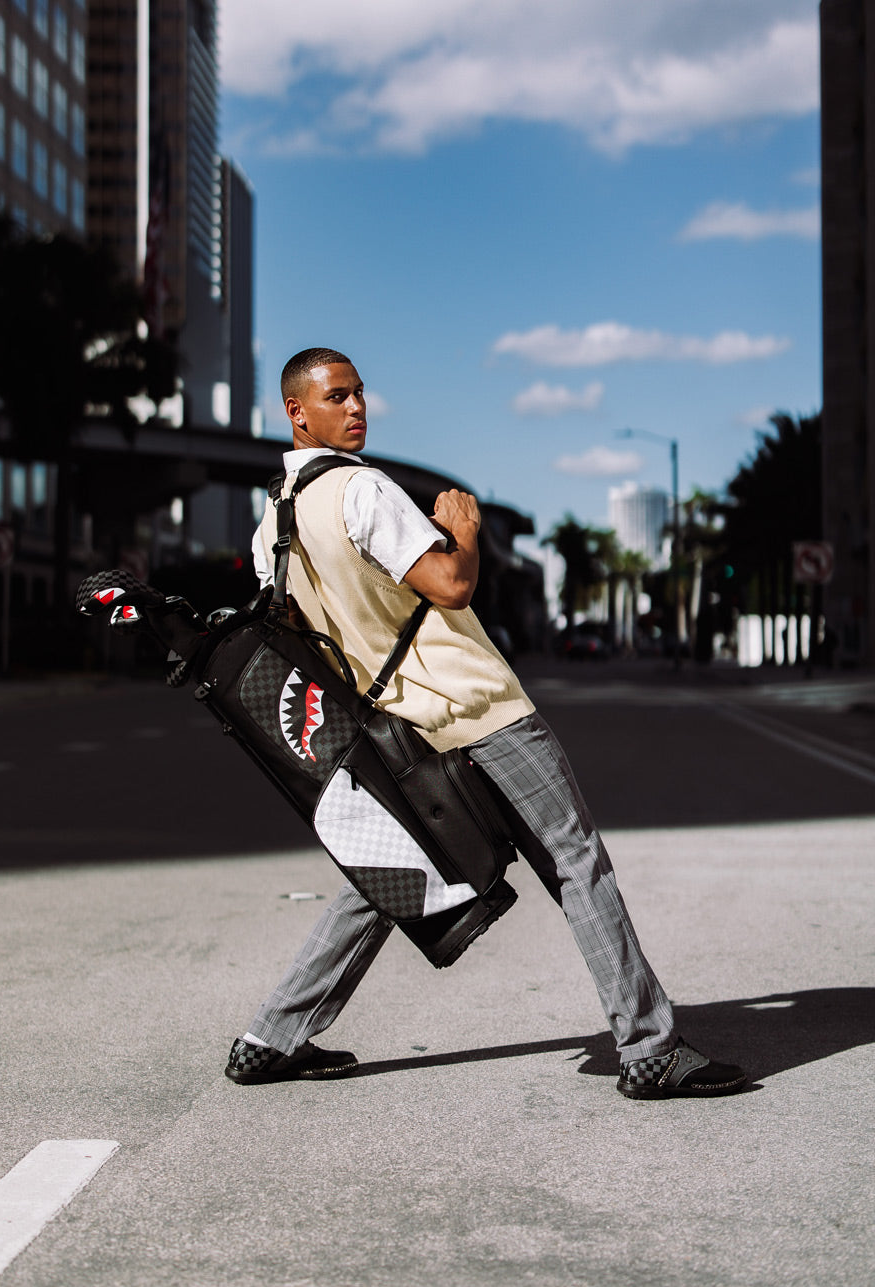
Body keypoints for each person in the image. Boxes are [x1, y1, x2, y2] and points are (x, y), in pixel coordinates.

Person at [225, 348, 746, 1100]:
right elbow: (452, 585)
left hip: (396, 731)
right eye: (337, 397)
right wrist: (459, 528)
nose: (357, 408)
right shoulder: (363, 489)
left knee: (388, 877)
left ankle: (271, 1035)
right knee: (575, 859)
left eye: (361, 393)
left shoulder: (272, 523)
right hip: (476, 709)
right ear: (298, 413)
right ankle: (650, 1046)